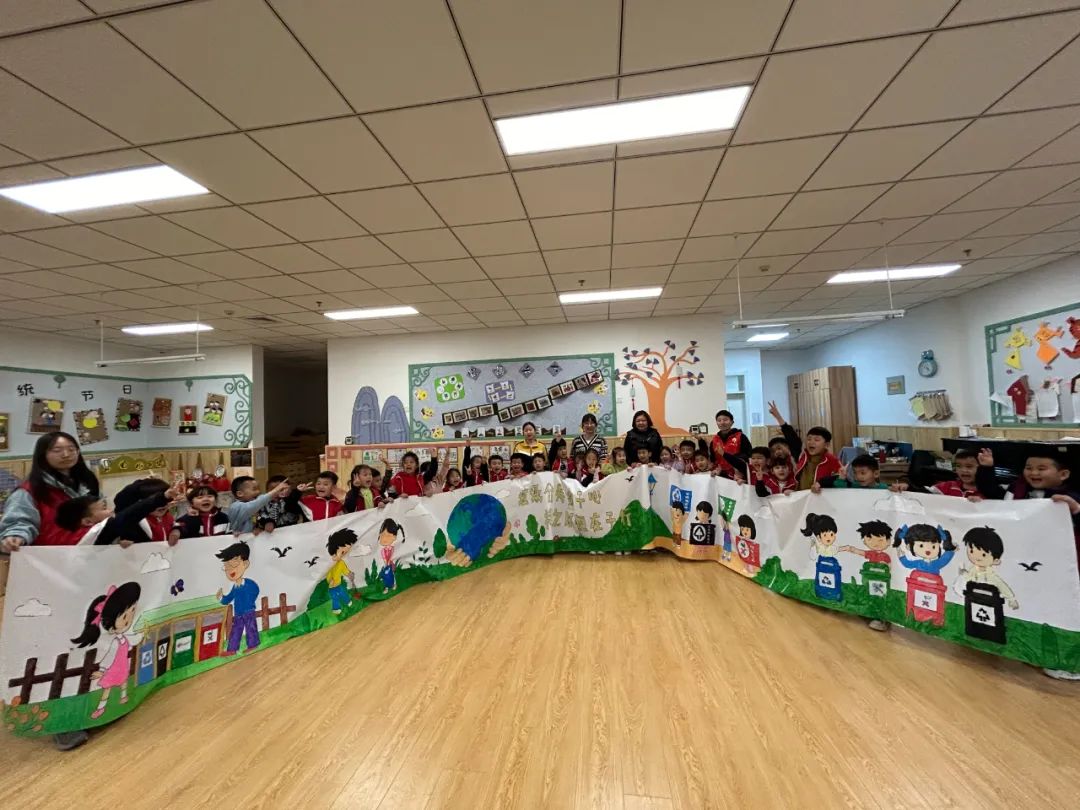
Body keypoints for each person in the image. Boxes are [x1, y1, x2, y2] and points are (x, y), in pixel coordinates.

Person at [1, 431, 100, 551]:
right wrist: (16, 536)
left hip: (90, 553)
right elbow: (20, 521)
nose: (66, 455)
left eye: (71, 449)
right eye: (57, 450)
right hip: (50, 557)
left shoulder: (87, 483)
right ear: (43, 455)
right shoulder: (28, 491)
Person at [57, 481, 185, 547]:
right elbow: (127, 516)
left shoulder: (71, 539)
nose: (110, 511)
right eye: (104, 509)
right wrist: (163, 497)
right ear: (87, 521)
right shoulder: (95, 532)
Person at [766, 400, 841, 490]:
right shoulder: (802, 455)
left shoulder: (832, 460)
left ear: (827, 444)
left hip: (821, 497)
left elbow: (840, 479)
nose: (811, 442)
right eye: (809, 439)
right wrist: (778, 417)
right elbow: (793, 439)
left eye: (816, 440)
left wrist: (822, 483)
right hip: (801, 496)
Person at [216, 541, 260, 655]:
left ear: (245, 563)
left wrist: (249, 602)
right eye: (227, 566)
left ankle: (253, 645)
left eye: (234, 564)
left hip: (248, 611)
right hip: (238, 613)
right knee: (236, 631)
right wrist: (221, 598)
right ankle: (232, 649)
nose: (230, 569)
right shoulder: (235, 587)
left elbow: (256, 590)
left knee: (251, 629)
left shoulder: (249, 583)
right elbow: (228, 598)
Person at [226, 476, 292, 535]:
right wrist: (276, 490)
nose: (259, 492)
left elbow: (254, 519)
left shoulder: (254, 509)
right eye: (254, 489)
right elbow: (255, 504)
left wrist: (256, 527)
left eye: (259, 489)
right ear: (240, 493)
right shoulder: (236, 506)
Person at [711, 409, 752, 479]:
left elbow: (748, 455)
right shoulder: (714, 440)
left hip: (738, 476)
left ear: (732, 422)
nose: (722, 422)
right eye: (719, 420)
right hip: (720, 475)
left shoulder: (741, 436)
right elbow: (713, 459)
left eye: (725, 420)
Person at [812, 455, 889, 491]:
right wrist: (841, 478)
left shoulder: (884, 489)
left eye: (863, 473)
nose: (858, 477)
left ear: (876, 474)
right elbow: (840, 492)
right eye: (855, 473)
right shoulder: (854, 486)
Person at [325, 528, 356, 614]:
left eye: (345, 553)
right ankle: (336, 608)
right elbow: (328, 574)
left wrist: (349, 574)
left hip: (338, 584)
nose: (344, 555)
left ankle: (348, 601)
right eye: (342, 552)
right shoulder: (329, 565)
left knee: (342, 593)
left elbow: (345, 570)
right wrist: (329, 581)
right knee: (334, 597)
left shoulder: (341, 563)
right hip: (331, 587)